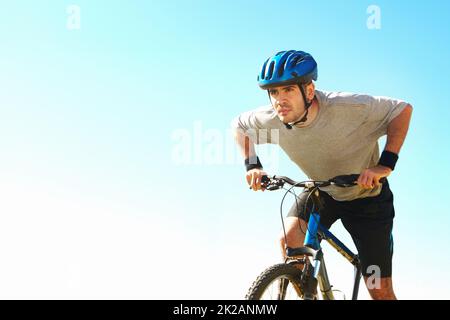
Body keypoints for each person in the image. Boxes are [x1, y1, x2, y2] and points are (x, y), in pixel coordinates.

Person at [231, 50, 413, 300]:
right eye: (273, 92)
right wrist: (252, 165)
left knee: (378, 288)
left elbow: (401, 110)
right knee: (290, 242)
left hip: (367, 198)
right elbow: (239, 126)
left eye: (288, 90)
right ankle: (309, 294)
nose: (279, 100)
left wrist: (385, 164)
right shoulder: (273, 119)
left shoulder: (349, 108)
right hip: (322, 191)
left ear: (308, 90)